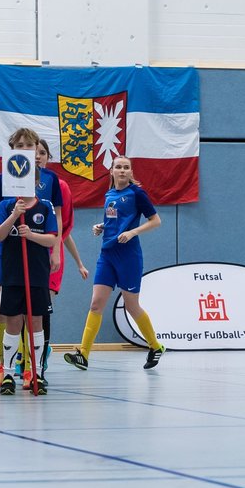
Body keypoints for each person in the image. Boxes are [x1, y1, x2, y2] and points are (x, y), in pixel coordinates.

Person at [63, 156, 165, 371]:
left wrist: (132, 232)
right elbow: (115, 219)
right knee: (96, 304)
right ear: (111, 171)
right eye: (118, 167)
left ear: (130, 172)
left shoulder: (137, 193)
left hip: (128, 257)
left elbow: (155, 221)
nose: (122, 170)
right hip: (107, 255)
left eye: (126, 167)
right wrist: (102, 226)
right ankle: (83, 354)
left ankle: (155, 346)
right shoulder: (109, 194)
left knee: (132, 306)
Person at [0, 128, 63, 388]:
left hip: (37, 253)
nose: (25, 149)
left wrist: (56, 251)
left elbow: (56, 220)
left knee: (36, 314)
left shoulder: (48, 180)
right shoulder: (1, 180)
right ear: (12, 147)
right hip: (8, 252)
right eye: (20, 145)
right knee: (4, 310)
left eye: (30, 145)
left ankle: (30, 368)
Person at [0, 190, 58, 395]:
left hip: (37, 273)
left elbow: (51, 240)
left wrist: (30, 235)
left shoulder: (45, 206)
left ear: (36, 182)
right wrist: (14, 215)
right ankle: (9, 374)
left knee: (36, 322)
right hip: (12, 273)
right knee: (13, 322)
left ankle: (37, 372)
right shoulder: (6, 206)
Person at [39, 137, 88, 381]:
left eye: (41, 152)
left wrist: (75, 260)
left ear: (49, 157)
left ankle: (40, 357)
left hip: (50, 255)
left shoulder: (60, 186)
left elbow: (63, 229)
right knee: (20, 311)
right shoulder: (15, 185)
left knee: (43, 308)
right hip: (24, 253)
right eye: (32, 151)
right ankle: (22, 358)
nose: (36, 156)